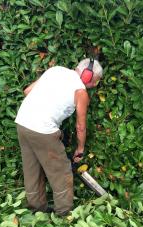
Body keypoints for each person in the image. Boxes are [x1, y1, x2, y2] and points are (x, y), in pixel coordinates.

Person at [15, 58, 103, 216]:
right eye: (94, 82)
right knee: (62, 173)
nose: (93, 86)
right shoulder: (81, 92)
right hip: (42, 130)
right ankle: (64, 215)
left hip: (22, 122)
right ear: (88, 76)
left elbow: (27, 91)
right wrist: (80, 149)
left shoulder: (56, 70)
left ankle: (37, 210)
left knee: (32, 169)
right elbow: (80, 126)